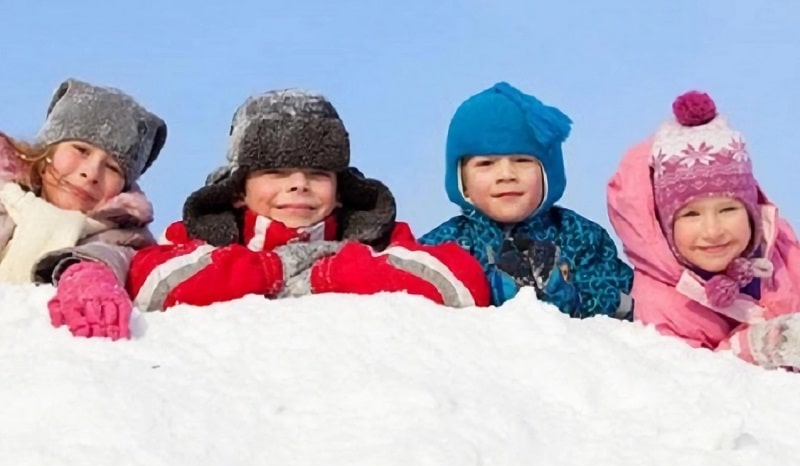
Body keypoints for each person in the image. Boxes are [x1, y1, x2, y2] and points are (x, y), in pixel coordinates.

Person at [128, 88, 490, 311]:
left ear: (338, 189)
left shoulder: (375, 239)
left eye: (318, 174)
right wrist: (274, 268)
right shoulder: (203, 238)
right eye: (276, 173)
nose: (299, 185)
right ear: (239, 190)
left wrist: (329, 273)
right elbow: (150, 285)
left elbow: (461, 284)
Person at [607, 90, 800, 369]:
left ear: (751, 211)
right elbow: (691, 381)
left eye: (728, 210)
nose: (712, 230)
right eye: (691, 214)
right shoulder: (661, 302)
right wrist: (753, 347)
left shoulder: (782, 251)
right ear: (664, 223)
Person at [420, 81, 633, 319]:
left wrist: (561, 297)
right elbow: (406, 300)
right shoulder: (443, 245)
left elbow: (621, 302)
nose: (506, 175)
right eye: (486, 164)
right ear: (463, 181)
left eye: (522, 160)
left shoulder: (582, 237)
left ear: (548, 173)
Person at [0, 78, 166, 340]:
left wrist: (88, 272)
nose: (91, 173)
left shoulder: (121, 238)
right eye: (81, 150)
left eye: (112, 168)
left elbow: (112, 256)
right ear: (49, 149)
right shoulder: (5, 199)